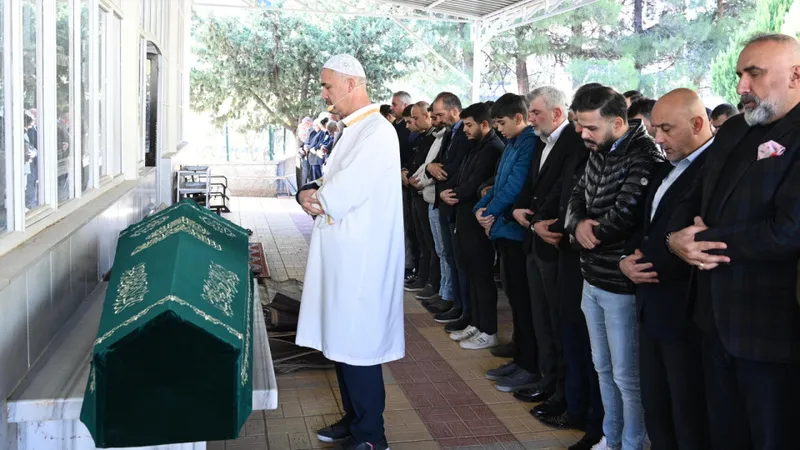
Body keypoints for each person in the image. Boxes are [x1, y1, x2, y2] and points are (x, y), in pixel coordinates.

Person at [667, 34, 800, 450]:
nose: (742, 86)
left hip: (771, 330)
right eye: (740, 74)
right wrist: (675, 239)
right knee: (723, 433)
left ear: (796, 75)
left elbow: (788, 231)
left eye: (754, 74)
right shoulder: (735, 129)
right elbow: (690, 196)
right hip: (711, 318)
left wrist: (701, 241)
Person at [295, 54, 403, 450]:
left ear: (352, 84)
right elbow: (328, 183)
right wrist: (309, 192)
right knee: (342, 342)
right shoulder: (355, 129)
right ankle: (355, 419)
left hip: (362, 261)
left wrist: (313, 196)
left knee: (359, 347)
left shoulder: (377, 132)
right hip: (345, 255)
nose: (324, 94)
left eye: (328, 86)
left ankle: (371, 436)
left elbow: (340, 193)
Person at [566, 85, 663, 450]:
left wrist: (588, 233)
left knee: (627, 375)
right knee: (603, 368)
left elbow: (626, 214)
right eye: (580, 125)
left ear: (618, 123)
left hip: (621, 284)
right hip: (592, 276)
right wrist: (577, 224)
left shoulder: (644, 155)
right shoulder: (599, 149)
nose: (583, 134)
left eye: (591, 127)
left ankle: (633, 443)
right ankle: (612, 438)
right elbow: (577, 195)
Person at [621, 88, 713, 450]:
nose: (657, 139)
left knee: (687, 411)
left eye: (666, 129)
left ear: (697, 124)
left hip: (686, 312)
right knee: (656, 403)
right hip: (651, 304)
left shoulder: (714, 169)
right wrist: (625, 258)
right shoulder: (665, 168)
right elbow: (644, 227)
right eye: (655, 129)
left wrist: (658, 249)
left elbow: (697, 239)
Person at [510, 86, 584, 417]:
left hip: (554, 242)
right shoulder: (541, 142)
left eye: (536, 113)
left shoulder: (573, 142)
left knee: (558, 322)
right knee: (541, 318)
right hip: (535, 238)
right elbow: (532, 185)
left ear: (556, 113)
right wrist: (519, 209)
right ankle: (547, 379)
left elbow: (563, 191)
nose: (530, 119)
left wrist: (539, 221)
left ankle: (562, 391)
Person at [459, 95, 534, 360]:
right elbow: (497, 183)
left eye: (501, 123)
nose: (498, 128)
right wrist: (480, 208)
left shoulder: (528, 143)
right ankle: (518, 347)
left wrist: (488, 213)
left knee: (521, 297)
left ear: (518, 118)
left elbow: (514, 186)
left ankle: (525, 356)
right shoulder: (512, 143)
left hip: (514, 230)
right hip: (502, 228)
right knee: (513, 294)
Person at [426, 92, 473, 331]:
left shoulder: (465, 134)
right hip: (443, 201)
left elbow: (454, 168)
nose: (438, 119)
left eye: (440, 114)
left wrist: (439, 176)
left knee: (458, 260)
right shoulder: (448, 133)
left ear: (455, 110)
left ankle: (462, 306)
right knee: (449, 255)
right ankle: (455, 302)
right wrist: (430, 167)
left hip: (454, 201)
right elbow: (438, 164)